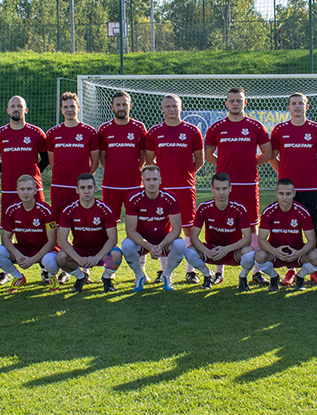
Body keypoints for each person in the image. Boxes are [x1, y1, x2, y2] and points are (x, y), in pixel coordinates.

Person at [204, 86, 272, 286]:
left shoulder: (256, 126)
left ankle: (257, 272)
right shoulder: (216, 127)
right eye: (232, 100)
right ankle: (219, 271)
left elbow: (267, 154)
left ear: (245, 102)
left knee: (252, 226)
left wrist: (250, 163)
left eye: (239, 100)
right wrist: (224, 166)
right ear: (226, 103)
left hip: (248, 184)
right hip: (224, 186)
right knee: (220, 224)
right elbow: (208, 155)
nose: (235, 103)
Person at [269, 93, 317, 287]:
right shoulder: (280, 130)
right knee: (289, 229)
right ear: (288, 107)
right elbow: (272, 156)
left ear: (307, 106)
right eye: (293, 104)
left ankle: (314, 269)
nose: (297, 107)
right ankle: (291, 269)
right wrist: (284, 177)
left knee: (314, 228)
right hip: (288, 191)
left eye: (300, 103)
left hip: (310, 188)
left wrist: (312, 173)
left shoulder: (316, 129)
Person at [144, 94, 204, 284]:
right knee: (162, 228)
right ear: (162, 109)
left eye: (174, 106)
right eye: (167, 106)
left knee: (188, 230)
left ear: (181, 107)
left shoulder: (192, 131)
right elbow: (150, 161)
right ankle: (163, 271)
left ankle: (190, 270)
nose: (171, 109)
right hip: (162, 190)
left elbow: (199, 160)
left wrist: (185, 174)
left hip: (185, 188)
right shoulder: (154, 132)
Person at [0, 95, 48, 285]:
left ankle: (46, 267)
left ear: (25, 110)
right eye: (12, 106)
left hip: (34, 188)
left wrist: (33, 177)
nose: (16, 109)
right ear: (7, 110)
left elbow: (45, 158)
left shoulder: (37, 133)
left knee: (42, 224)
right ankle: (9, 270)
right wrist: (6, 172)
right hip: (8, 190)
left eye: (19, 106)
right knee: (9, 228)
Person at [184, 173, 256, 291]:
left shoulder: (239, 208)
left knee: (249, 253)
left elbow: (247, 238)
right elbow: (194, 238)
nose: (221, 192)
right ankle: (208, 275)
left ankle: (243, 277)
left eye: (224, 188)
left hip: (232, 251)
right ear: (212, 189)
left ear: (230, 189)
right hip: (212, 250)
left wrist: (227, 249)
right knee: (189, 252)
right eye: (217, 188)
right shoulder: (203, 208)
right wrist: (206, 251)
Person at [122, 165, 187, 292]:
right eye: (148, 180)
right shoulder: (133, 198)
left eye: (155, 179)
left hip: (164, 239)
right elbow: (130, 231)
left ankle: (166, 275)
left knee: (180, 245)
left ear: (160, 180)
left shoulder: (170, 198)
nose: (151, 183)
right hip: (142, 240)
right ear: (143, 181)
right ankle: (139, 275)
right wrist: (149, 246)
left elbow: (176, 229)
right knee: (126, 246)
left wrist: (161, 245)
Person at [0, 174, 60, 293]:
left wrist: (33, 259)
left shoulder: (46, 210)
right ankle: (18, 277)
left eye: (29, 189)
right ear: (17, 191)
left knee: (51, 261)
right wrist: (17, 255)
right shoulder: (11, 210)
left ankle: (52, 277)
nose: (25, 192)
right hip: (23, 249)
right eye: (22, 189)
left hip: (44, 251)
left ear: (35, 190)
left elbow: (52, 241)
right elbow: (6, 238)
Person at [56, 173, 122, 293]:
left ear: (95, 189)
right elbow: (62, 240)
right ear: (77, 190)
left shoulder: (105, 209)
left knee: (117, 254)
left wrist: (96, 258)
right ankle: (81, 277)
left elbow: (113, 239)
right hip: (79, 250)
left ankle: (106, 278)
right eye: (82, 188)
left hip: (100, 252)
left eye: (89, 187)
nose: (86, 191)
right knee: (61, 257)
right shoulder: (68, 210)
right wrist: (79, 259)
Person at [254, 178, 317, 291]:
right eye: (281, 193)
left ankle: (300, 277)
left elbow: (312, 241)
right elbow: (261, 240)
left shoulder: (302, 212)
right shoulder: (269, 212)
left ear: (294, 193)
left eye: (288, 194)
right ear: (276, 193)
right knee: (259, 256)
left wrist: (298, 253)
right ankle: (274, 277)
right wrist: (274, 251)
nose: (284, 197)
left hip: (297, 252)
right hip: (275, 253)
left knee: (315, 256)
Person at [46, 92, 100, 219]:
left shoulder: (90, 132)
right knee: (58, 222)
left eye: (72, 106)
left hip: (80, 187)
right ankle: (61, 240)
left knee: (82, 221)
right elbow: (52, 161)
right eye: (65, 107)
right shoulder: (52, 133)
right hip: (59, 185)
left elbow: (95, 161)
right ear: (61, 110)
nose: (69, 110)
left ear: (78, 108)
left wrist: (85, 178)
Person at [98, 91, 147, 225]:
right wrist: (112, 169)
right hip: (110, 184)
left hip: (134, 183)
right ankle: (111, 246)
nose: (121, 108)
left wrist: (134, 169)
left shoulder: (139, 127)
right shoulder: (104, 129)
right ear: (112, 107)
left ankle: (136, 246)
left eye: (124, 104)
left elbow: (143, 155)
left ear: (130, 106)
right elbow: (102, 156)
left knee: (138, 220)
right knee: (110, 221)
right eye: (118, 105)